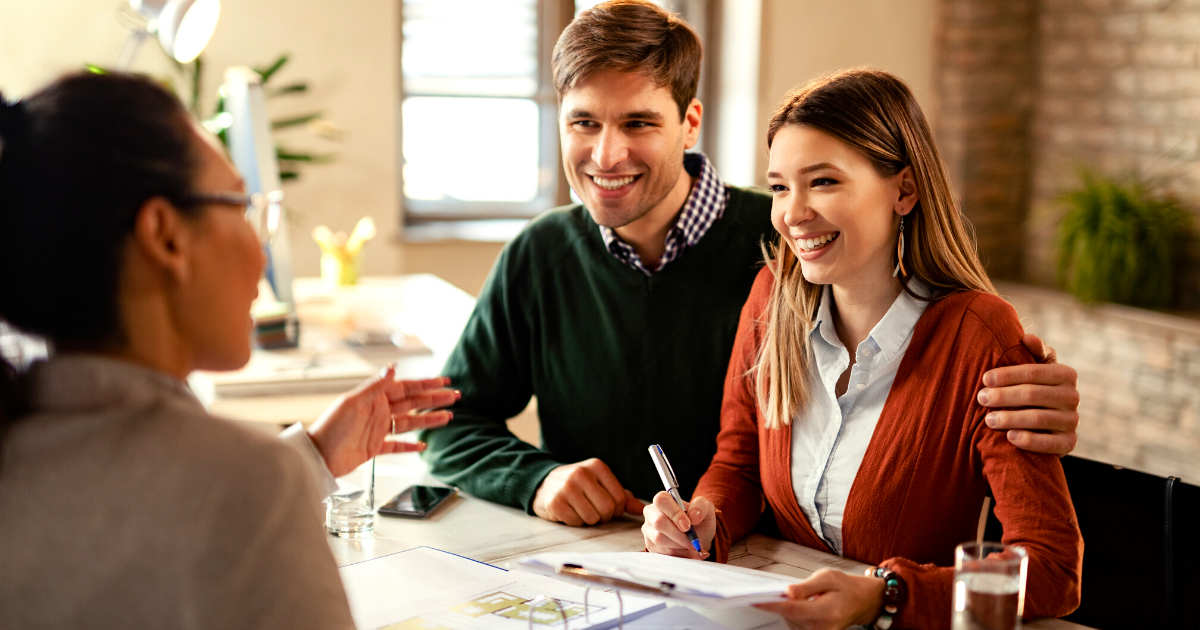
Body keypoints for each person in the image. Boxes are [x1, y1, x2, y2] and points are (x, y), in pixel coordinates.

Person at [420, 0, 1083, 528]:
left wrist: (1017, 381)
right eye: (583, 123)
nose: (606, 154)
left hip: (769, 570)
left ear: (690, 123)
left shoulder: (797, 251)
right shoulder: (541, 255)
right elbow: (451, 424)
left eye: (639, 123)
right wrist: (538, 480)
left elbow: (920, 357)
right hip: (609, 568)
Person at [0, 72, 456, 629]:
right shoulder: (245, 483)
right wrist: (273, 481)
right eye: (242, 206)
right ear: (165, 235)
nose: (260, 247)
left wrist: (311, 455)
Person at [640, 69, 1083, 630]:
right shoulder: (772, 299)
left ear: (903, 190)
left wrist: (886, 595)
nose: (792, 213)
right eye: (780, 186)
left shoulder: (980, 337)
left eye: (822, 181)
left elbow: (1052, 569)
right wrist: (705, 522)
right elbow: (739, 463)